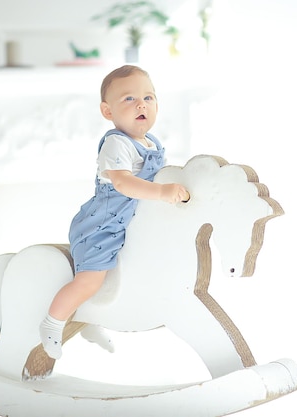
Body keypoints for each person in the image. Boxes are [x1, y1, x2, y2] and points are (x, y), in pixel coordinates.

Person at [39, 65, 189, 359]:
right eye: (129, 99)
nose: (141, 104)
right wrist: (161, 192)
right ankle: (52, 322)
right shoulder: (115, 143)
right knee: (91, 280)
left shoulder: (152, 144)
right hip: (103, 224)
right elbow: (122, 182)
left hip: (131, 222)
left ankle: (91, 319)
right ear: (108, 112)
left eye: (149, 97)